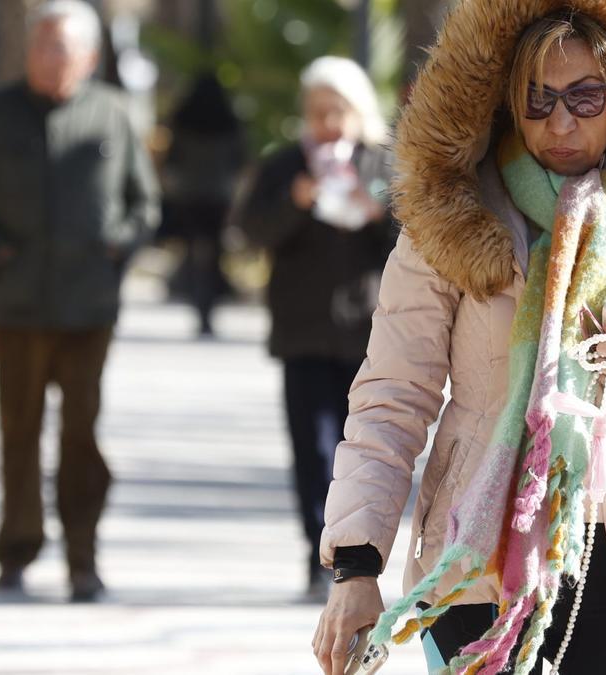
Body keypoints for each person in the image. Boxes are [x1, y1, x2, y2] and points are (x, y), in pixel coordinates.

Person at [313, 2, 606, 674]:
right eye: (537, 98)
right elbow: (391, 397)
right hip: (475, 555)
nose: (560, 122)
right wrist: (355, 563)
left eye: (585, 97)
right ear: (504, 99)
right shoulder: (452, 218)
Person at [0, 0, 158, 602]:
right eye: (41, 45)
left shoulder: (112, 114)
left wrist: (118, 249)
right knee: (19, 431)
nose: (49, 57)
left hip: (89, 310)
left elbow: (145, 204)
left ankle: (83, 559)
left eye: (61, 47)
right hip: (17, 308)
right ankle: (16, 549)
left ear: (87, 57)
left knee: (81, 435)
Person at [232, 56, 396, 602]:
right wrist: (294, 203)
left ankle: (356, 553)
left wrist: (376, 215)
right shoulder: (284, 165)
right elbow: (251, 230)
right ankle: (315, 551)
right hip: (302, 330)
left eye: (340, 110)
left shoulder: (384, 165)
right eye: (320, 110)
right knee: (312, 447)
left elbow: (414, 244)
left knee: (361, 447)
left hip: (366, 332)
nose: (330, 121)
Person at [159, 72, 245, 337]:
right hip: (218, 198)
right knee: (212, 256)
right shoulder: (230, 123)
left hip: (189, 197)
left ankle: (198, 302)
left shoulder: (182, 121)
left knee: (195, 253)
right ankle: (206, 308)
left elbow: (172, 161)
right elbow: (239, 163)